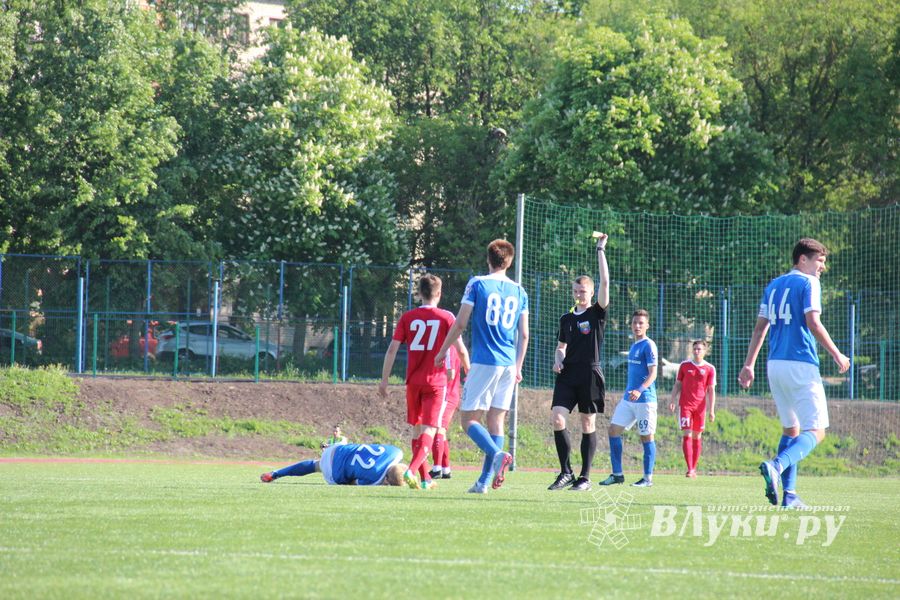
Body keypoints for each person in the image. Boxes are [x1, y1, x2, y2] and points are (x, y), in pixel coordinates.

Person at [739, 238, 850, 508]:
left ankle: (789, 496)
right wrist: (837, 353)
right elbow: (813, 321)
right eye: (819, 261)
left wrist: (748, 364)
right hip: (800, 363)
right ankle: (777, 466)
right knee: (817, 430)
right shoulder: (808, 282)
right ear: (803, 259)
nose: (822, 267)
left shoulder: (773, 285)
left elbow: (759, 328)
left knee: (791, 429)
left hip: (774, 365)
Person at [434, 239, 529, 494]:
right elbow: (525, 335)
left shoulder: (477, 284)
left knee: (468, 421)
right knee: (496, 420)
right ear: (510, 261)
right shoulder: (520, 291)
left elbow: (461, 323)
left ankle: (497, 455)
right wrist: (519, 366)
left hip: (485, 361)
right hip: (509, 363)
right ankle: (483, 482)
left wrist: (443, 351)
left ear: (489, 259)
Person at [379, 273, 467, 490]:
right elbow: (461, 350)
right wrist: (469, 369)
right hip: (435, 383)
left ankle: (426, 479)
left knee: (416, 431)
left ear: (419, 293)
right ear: (439, 293)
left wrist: (384, 381)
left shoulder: (407, 317)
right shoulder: (446, 318)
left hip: (413, 382)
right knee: (430, 429)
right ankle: (412, 469)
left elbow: (392, 350)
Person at [547, 232, 610, 492]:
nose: (579, 295)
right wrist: (557, 359)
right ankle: (565, 472)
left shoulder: (597, 313)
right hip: (568, 375)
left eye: (583, 291)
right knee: (557, 418)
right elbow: (560, 347)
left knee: (587, 422)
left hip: (590, 375)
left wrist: (600, 250)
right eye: (575, 291)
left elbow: (606, 281)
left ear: (592, 292)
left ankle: (584, 477)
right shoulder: (567, 318)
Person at [599, 309, 658, 488]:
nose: (637, 326)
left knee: (646, 437)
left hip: (645, 399)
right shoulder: (634, 346)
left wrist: (640, 390)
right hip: (628, 400)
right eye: (634, 323)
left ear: (647, 325)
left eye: (641, 323)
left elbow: (653, 373)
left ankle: (647, 479)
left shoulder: (649, 345)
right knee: (613, 431)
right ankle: (617, 474)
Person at [668, 340, 716, 478]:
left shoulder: (710, 368)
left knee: (697, 436)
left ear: (705, 351)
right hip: (685, 406)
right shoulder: (684, 365)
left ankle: (694, 467)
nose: (696, 351)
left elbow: (711, 390)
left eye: (699, 349)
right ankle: (690, 469)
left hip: (700, 408)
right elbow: (678, 384)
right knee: (687, 434)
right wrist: (672, 400)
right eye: (694, 349)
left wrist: (711, 410)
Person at [260, 442, 407, 486]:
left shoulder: (396, 452)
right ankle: (276, 474)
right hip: (334, 472)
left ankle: (275, 473)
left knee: (315, 464)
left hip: (338, 449)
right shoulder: (376, 478)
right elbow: (355, 483)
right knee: (316, 467)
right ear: (387, 480)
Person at [429, 343, 468, 480]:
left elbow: (450, 373)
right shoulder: (450, 346)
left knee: (438, 429)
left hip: (447, 394)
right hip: (450, 394)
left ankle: (436, 469)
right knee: (442, 432)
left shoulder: (449, 347)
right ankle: (445, 469)